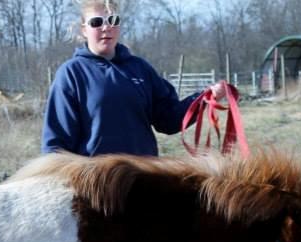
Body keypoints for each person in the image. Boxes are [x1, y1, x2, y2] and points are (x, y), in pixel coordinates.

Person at [42, 0, 227, 157]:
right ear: (84, 29)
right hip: (96, 181)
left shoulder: (140, 69)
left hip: (142, 176)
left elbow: (169, 119)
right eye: (97, 22)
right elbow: (56, 144)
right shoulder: (71, 73)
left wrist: (204, 98)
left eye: (113, 20)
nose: (106, 27)